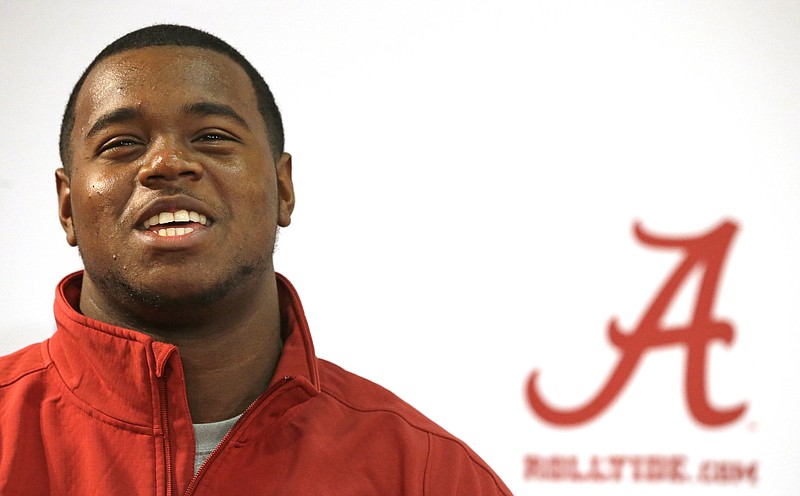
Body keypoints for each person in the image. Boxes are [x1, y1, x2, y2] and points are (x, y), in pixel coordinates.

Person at [0, 24, 511, 495]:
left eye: (213, 137)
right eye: (122, 143)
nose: (167, 163)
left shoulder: (428, 474)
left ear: (282, 187)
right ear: (67, 205)